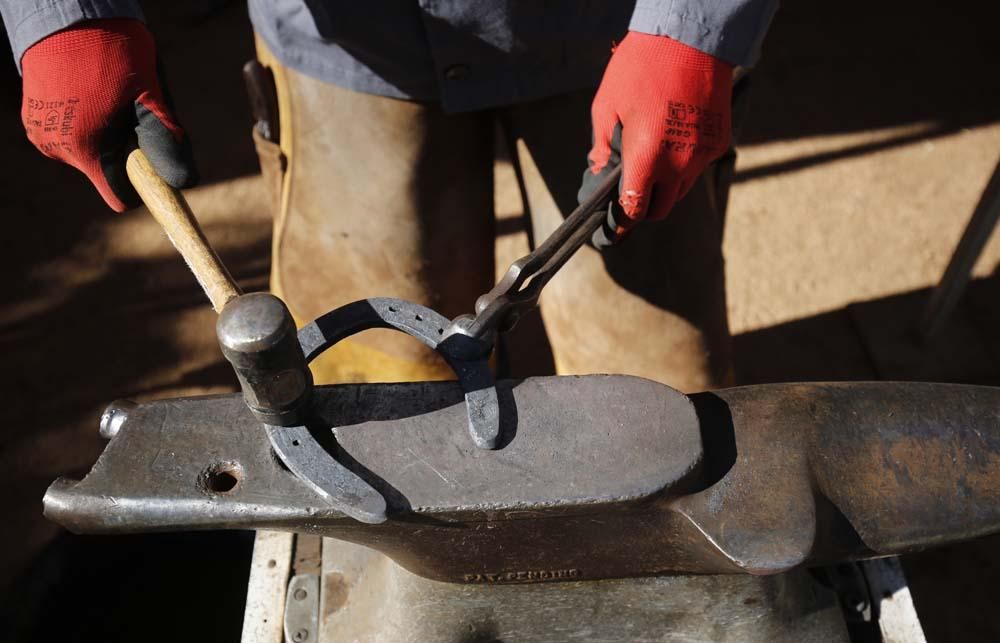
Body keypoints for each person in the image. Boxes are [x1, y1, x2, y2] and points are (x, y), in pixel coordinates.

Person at [0, 1, 777, 391]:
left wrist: (696, 27)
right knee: (372, 397)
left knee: (658, 408)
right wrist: (64, 13)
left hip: (625, 31)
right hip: (348, 41)